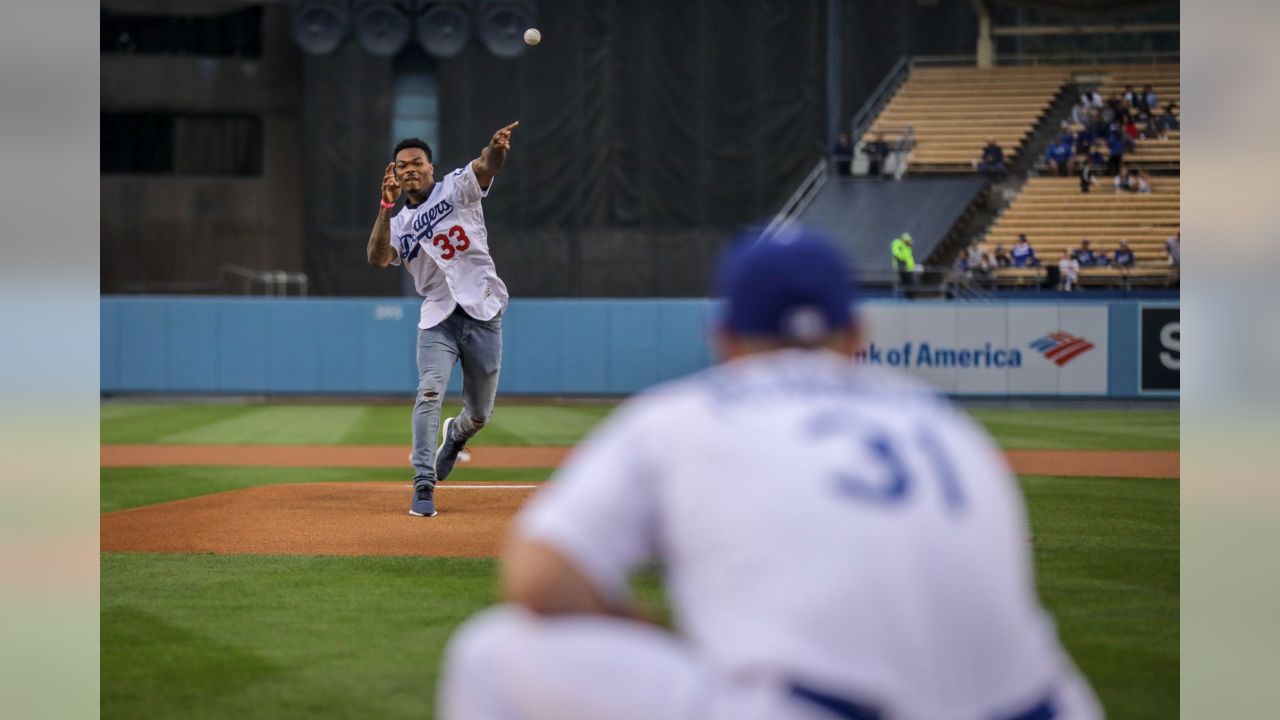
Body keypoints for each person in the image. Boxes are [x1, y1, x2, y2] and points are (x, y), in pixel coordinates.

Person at [438, 227, 1102, 720]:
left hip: (815, 708)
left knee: (489, 653)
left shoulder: (686, 412)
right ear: (854, 337)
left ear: (725, 339)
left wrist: (648, 627)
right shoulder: (941, 421)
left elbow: (538, 576)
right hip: (1038, 708)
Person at [365, 122, 519, 517]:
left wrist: (496, 146)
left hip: (483, 310)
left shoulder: (456, 187)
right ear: (394, 174)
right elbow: (378, 258)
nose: (410, 169)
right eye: (402, 166)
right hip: (438, 317)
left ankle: (456, 436)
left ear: (431, 167)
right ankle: (422, 483)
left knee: (480, 414)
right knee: (429, 392)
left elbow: (487, 165)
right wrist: (385, 208)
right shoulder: (398, 224)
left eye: (417, 162)